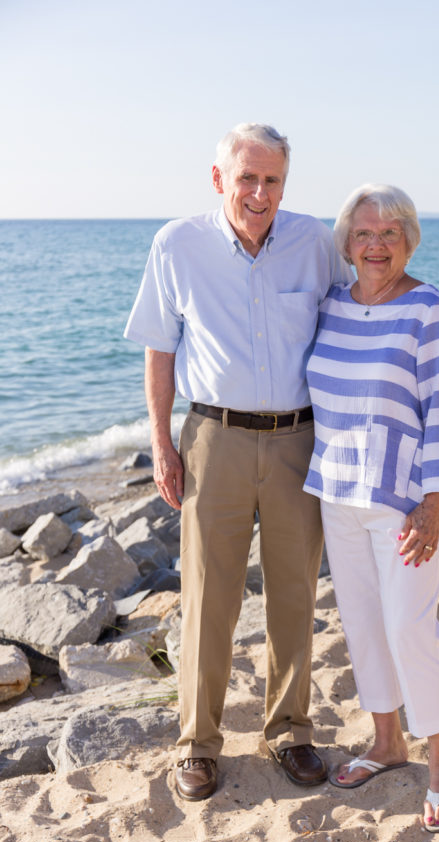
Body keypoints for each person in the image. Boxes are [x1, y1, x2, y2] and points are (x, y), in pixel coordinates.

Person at [124, 123, 352, 801]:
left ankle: (290, 732)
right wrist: (162, 443)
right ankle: (196, 742)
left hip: (298, 441)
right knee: (208, 596)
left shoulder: (315, 242)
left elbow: (357, 312)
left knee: (294, 593)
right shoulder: (176, 244)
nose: (259, 192)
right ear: (219, 178)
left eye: (272, 180)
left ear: (286, 183)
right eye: (246, 177)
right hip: (213, 440)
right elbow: (159, 351)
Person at [303, 184, 439, 832]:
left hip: (403, 503)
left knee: (410, 627)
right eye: (364, 234)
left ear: (409, 240)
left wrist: (433, 508)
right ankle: (386, 741)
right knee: (363, 624)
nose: (376, 246)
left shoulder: (432, 311)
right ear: (346, 243)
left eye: (390, 234)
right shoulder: (333, 307)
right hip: (336, 492)